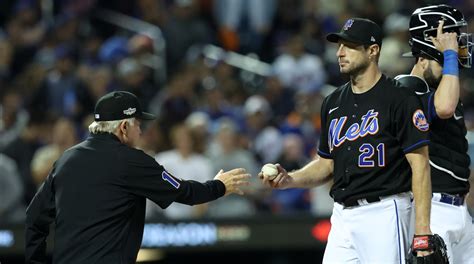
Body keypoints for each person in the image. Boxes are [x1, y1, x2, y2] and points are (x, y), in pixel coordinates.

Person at [259, 18, 433, 263]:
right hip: (342, 215)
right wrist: (290, 179)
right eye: (339, 45)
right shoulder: (332, 103)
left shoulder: (399, 98)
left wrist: (422, 231)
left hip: (384, 211)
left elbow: (420, 166)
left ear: (373, 51)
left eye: (350, 46)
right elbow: (326, 164)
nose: (340, 52)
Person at [25, 91, 250, 264]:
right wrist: (219, 186)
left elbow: (34, 216)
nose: (141, 132)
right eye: (138, 125)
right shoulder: (132, 160)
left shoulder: (66, 159)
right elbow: (184, 192)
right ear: (124, 127)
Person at [395, 4, 473, 263]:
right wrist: (449, 54)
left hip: (460, 209)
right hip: (433, 208)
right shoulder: (405, 90)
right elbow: (444, 107)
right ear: (423, 56)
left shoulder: (442, 85)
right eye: (443, 61)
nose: (457, 50)